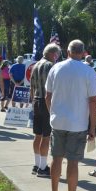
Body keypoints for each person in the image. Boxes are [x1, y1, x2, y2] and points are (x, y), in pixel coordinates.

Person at [45, 39, 96, 191]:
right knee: (73, 162)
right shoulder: (88, 71)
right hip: (78, 124)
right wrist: (92, 127)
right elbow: (93, 101)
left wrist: (52, 114)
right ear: (83, 53)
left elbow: (48, 96)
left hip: (58, 121)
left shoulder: (56, 68)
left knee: (56, 159)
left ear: (68, 52)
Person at [29, 43, 61, 178]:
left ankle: (37, 165)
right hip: (46, 102)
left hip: (36, 100)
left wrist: (32, 102)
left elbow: (31, 86)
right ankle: (43, 168)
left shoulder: (35, 65)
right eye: (57, 55)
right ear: (53, 54)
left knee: (37, 135)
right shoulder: (50, 66)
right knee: (46, 136)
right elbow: (53, 87)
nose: (57, 57)